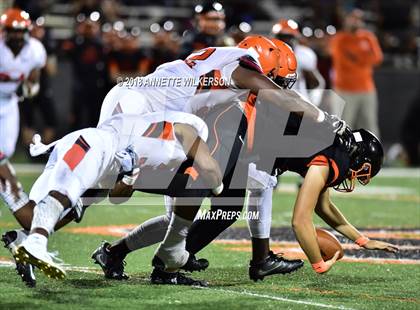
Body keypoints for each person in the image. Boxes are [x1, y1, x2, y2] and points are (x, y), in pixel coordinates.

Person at [13, 111, 223, 280]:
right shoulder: (182, 130)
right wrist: (217, 186)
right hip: (94, 147)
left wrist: (130, 177)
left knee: (41, 212)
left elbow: (117, 196)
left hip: (94, 152)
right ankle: (33, 241)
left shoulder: (146, 139)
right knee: (63, 197)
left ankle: (23, 239)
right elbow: (209, 168)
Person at [0, 7, 46, 239]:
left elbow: (33, 80)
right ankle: (13, 195)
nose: (16, 36)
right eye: (12, 31)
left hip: (8, 103)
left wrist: (30, 88)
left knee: (5, 152)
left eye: (20, 32)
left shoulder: (36, 50)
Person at [329, 9, 383, 136]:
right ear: (345, 20)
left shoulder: (368, 37)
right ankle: (343, 156)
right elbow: (344, 62)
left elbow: (377, 58)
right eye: (352, 18)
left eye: (358, 18)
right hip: (344, 90)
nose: (356, 21)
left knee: (370, 126)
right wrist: (364, 58)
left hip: (367, 89)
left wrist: (356, 58)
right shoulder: (339, 39)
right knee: (344, 127)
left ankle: (373, 155)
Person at [272, 19, 325, 106]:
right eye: (281, 37)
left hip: (297, 101)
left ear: (295, 37)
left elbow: (316, 82)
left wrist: (312, 102)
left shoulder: (304, 54)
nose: (285, 40)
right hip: (275, 100)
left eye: (288, 37)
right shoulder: (267, 53)